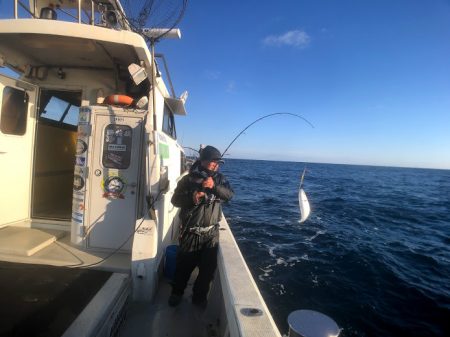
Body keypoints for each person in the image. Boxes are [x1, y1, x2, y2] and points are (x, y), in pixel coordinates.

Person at [168, 145, 234, 307]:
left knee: (207, 272)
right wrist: (193, 198)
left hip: (211, 234)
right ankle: (177, 293)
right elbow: (175, 201)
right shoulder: (188, 179)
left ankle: (199, 298)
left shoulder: (220, 179)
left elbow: (230, 195)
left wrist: (215, 187)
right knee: (183, 268)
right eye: (213, 161)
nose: (216, 164)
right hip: (191, 232)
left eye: (218, 162)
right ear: (203, 160)